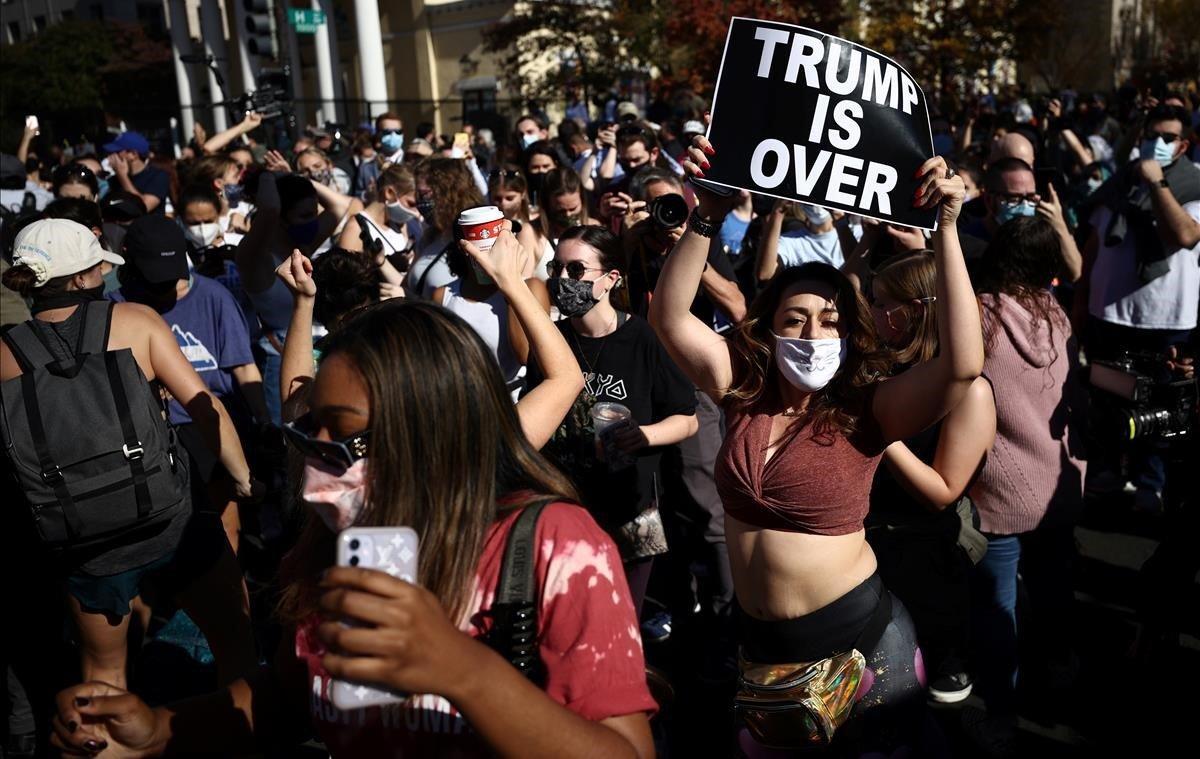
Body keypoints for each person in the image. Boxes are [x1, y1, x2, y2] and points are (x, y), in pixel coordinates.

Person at [652, 125, 983, 754]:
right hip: (762, 656)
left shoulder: (870, 410)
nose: (812, 332)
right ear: (769, 331)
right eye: (794, 319)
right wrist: (707, 215)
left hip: (861, 651)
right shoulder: (740, 390)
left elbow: (963, 366)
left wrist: (946, 232)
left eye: (830, 321)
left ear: (850, 336)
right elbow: (670, 318)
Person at [1, 218, 258, 691]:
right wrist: (241, 478)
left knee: (103, 679)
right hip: (174, 517)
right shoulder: (136, 321)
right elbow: (206, 408)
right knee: (236, 642)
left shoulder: (4, 352)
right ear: (81, 278)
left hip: (83, 541)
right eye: (99, 266)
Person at [525, 225, 699, 615]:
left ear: (609, 280)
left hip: (632, 509)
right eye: (556, 269)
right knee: (573, 615)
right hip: (569, 507)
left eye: (576, 270)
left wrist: (644, 435)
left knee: (622, 616)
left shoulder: (640, 337)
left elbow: (687, 419)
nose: (562, 280)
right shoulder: (552, 341)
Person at [964, 215, 1087, 756]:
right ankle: (1062, 663)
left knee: (998, 609)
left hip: (998, 489)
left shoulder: (982, 317)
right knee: (1056, 589)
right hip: (1058, 483)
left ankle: (1001, 712)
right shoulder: (1056, 314)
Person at [865, 250, 996, 705]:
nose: (872, 312)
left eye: (882, 303)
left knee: (930, 692)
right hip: (870, 550)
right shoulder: (882, 367)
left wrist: (877, 431)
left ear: (916, 311)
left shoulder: (971, 391)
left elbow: (942, 493)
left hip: (927, 559)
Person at [110, 215, 269, 552]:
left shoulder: (214, 297)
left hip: (211, 424)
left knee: (220, 523)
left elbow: (242, 366)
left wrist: (263, 419)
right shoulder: (117, 306)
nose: (167, 288)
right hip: (152, 433)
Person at [1080, 103, 1199, 509]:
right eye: (1152, 135)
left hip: (1167, 320)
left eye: (1168, 138)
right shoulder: (1118, 185)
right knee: (1109, 403)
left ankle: (1151, 485)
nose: (1157, 143)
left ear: (1183, 146)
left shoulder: (1193, 183)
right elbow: (1090, 251)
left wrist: (1157, 184)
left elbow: (1184, 235)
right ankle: (1107, 475)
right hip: (1109, 315)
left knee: (1162, 410)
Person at [404, 157, 484, 298]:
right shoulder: (430, 237)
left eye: (424, 194)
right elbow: (409, 286)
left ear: (448, 194)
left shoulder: (470, 241)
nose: (419, 201)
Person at [336, 163, 420, 291]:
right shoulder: (357, 227)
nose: (415, 212)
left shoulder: (399, 224)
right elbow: (345, 281)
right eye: (411, 203)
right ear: (389, 193)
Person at [488, 166, 554, 279]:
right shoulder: (487, 226)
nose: (503, 203)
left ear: (523, 193)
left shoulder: (537, 220)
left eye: (510, 198)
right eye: (497, 199)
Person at [756, 201, 845, 283]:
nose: (816, 205)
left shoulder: (853, 235)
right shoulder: (790, 241)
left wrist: (841, 221)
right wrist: (778, 213)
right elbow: (765, 274)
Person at [102, 132, 169, 215]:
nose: (110, 157)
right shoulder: (114, 180)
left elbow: (144, 206)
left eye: (116, 152)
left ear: (133, 154)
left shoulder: (158, 176)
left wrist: (122, 176)